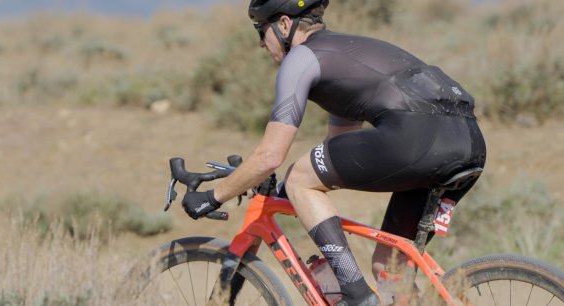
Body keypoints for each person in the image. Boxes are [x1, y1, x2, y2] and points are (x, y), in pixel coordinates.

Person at [180, 0, 487, 305]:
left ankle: (355, 294)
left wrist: (212, 196)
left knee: (300, 177)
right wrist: (280, 191)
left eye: (262, 31)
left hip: (418, 137)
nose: (262, 43)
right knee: (390, 271)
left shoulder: (301, 58)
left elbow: (270, 156)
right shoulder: (347, 57)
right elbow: (335, 154)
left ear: (284, 24)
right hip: (468, 141)